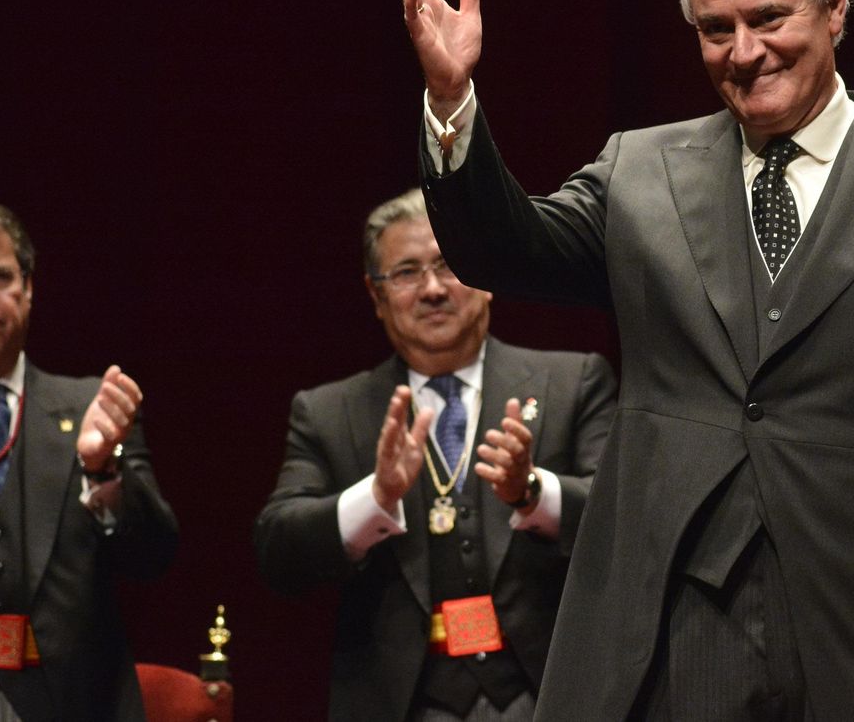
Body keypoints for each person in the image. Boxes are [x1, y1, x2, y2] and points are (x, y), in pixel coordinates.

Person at [398, 0, 854, 722]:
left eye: (770, 18)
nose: (745, 52)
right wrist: (451, 103)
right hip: (671, 620)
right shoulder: (641, 172)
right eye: (715, 29)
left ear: (836, 3)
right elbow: (500, 249)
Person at [253, 189, 616, 721]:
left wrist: (531, 492)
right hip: (399, 704)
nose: (431, 289)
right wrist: (374, 499)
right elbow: (277, 551)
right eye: (405, 272)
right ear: (376, 299)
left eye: (450, 266)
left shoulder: (575, 382)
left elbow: (626, 523)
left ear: (487, 279)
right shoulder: (330, 412)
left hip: (548, 697)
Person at [0, 198, 178, 721]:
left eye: (0, 277)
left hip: (73, 703)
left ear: (28, 288)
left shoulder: (93, 408)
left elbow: (153, 558)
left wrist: (104, 473)